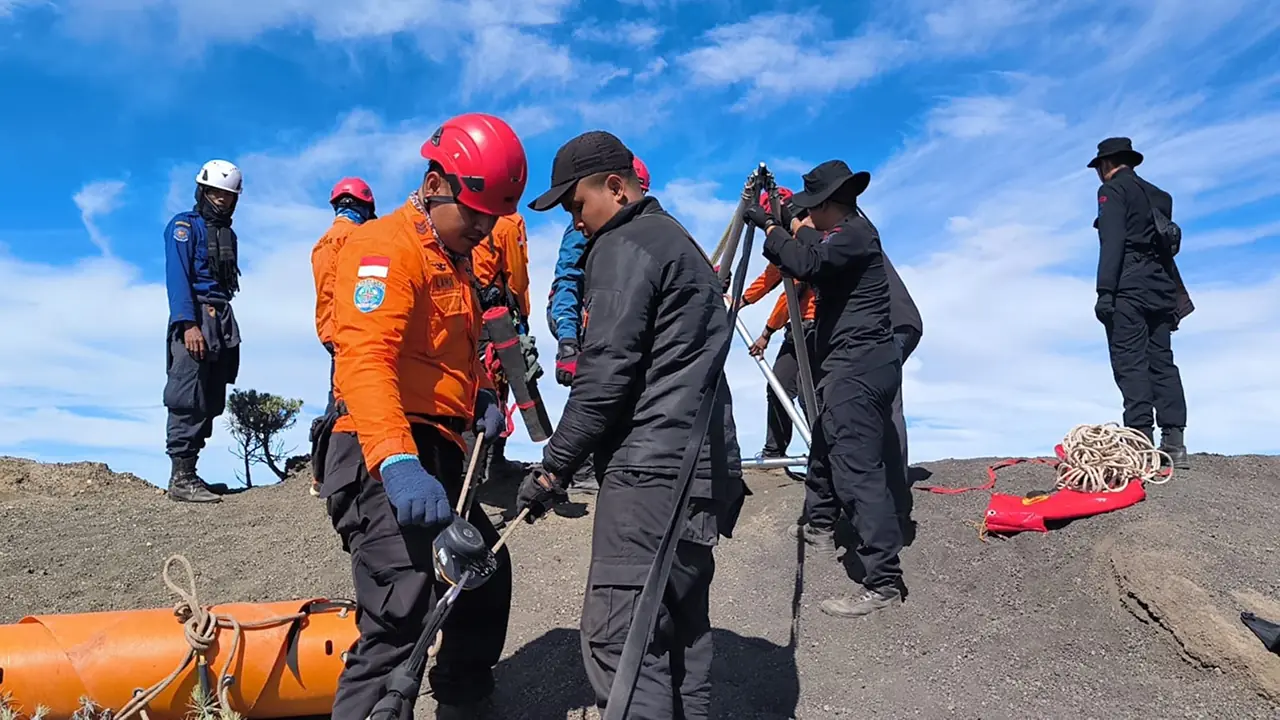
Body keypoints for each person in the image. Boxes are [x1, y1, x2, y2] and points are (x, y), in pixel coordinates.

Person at [518, 131, 746, 719]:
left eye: (577, 205)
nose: (576, 222)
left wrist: (552, 469)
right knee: (683, 634)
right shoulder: (681, 244)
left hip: (651, 473)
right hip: (700, 474)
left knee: (620, 639)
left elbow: (605, 378)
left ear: (615, 188)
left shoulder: (625, 245)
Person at [318, 112, 523, 720]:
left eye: (493, 219)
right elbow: (365, 360)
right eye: (476, 215)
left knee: (482, 574)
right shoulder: (383, 247)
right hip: (378, 446)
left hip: (435, 445)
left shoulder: (453, 260)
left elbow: (440, 358)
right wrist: (398, 461)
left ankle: (462, 700)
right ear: (436, 185)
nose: (484, 231)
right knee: (402, 611)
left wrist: (479, 396)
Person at [743, 159, 905, 619]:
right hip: (846, 363)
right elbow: (807, 249)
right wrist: (785, 224)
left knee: (857, 465)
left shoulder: (855, 234)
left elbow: (807, 258)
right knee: (826, 439)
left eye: (814, 208)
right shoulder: (843, 233)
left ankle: (883, 578)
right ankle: (819, 522)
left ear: (832, 204)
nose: (809, 216)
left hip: (859, 362)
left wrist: (774, 229)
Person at [544, 153, 651, 494]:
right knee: (593, 382)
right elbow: (567, 281)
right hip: (580, 318)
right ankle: (581, 468)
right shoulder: (586, 230)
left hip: (607, 314)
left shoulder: (638, 233)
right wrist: (567, 341)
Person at [1089, 137, 1191, 468]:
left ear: (1107, 164)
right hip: (1160, 288)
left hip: (1129, 287)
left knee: (1130, 363)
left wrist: (1105, 292)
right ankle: (1174, 443)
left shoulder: (1113, 191)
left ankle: (1140, 445)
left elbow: (1113, 241)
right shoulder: (1160, 196)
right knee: (1162, 362)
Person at [162, 159, 244, 504]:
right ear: (203, 190)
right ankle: (180, 478)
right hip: (194, 316)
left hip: (221, 318)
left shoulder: (228, 234)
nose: (222, 199)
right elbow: (177, 278)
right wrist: (188, 324)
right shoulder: (184, 226)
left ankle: (191, 472)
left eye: (228, 194)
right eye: (215, 192)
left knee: (211, 397)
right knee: (187, 396)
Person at [737, 187, 817, 463]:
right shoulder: (785, 241)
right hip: (796, 332)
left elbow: (791, 292)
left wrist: (766, 333)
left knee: (810, 394)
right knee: (780, 386)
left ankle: (825, 451)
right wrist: (741, 300)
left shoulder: (807, 237)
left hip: (814, 325)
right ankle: (774, 451)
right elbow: (770, 276)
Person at [467, 212, 533, 483]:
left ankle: (472, 468)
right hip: (493, 316)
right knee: (495, 387)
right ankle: (487, 466)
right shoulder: (507, 223)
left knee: (467, 387)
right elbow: (517, 276)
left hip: (461, 313)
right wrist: (522, 315)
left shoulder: (458, 217)